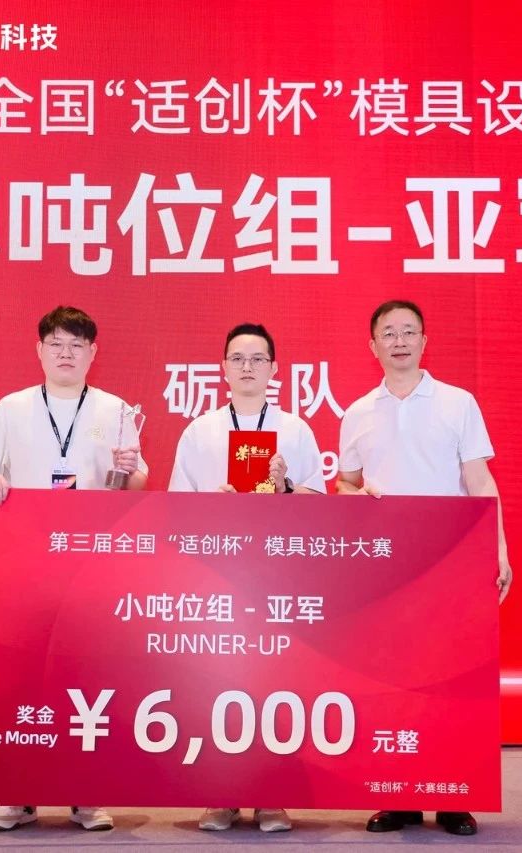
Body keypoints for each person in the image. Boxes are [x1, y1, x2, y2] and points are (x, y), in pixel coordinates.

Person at [0, 305, 146, 832]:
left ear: (93, 353)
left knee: (85, 675)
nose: (66, 353)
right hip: (25, 563)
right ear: (39, 351)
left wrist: (130, 470)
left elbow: (134, 484)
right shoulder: (12, 407)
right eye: (56, 344)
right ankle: (16, 796)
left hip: (90, 565)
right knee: (22, 675)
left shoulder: (115, 409)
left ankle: (85, 794)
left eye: (76, 345)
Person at [336, 299, 512, 838]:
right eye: (388, 333)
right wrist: (357, 496)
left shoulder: (458, 403)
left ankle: (454, 796)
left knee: (452, 680)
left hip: (450, 561)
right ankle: (399, 797)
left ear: (424, 341)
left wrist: (499, 548)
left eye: (409, 331)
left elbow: (480, 482)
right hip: (387, 565)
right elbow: (345, 482)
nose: (399, 341)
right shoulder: (357, 412)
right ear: (372, 346)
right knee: (392, 680)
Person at [169, 322, 326, 832]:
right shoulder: (200, 431)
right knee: (217, 682)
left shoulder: (296, 430)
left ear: (274, 369)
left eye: (258, 359)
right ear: (222, 368)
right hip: (216, 576)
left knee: (276, 683)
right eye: (237, 358)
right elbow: (176, 507)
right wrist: (212, 506)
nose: (247, 367)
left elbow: (320, 503)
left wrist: (284, 489)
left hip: (276, 577)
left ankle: (271, 796)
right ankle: (220, 794)